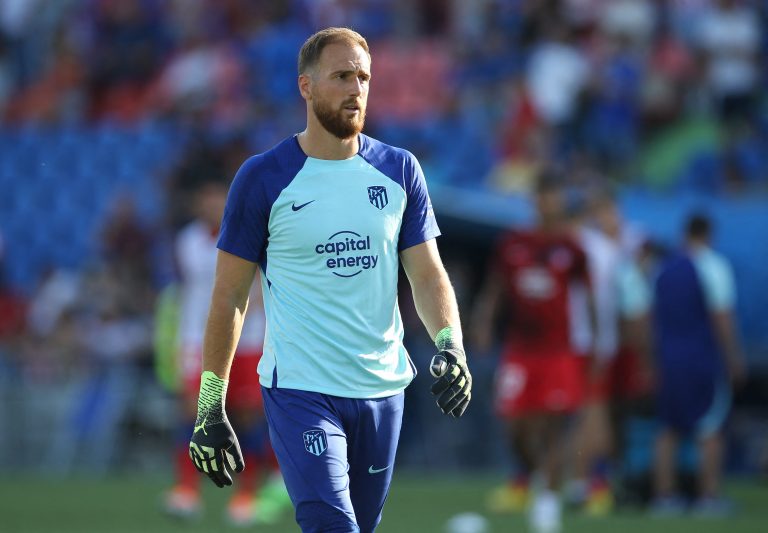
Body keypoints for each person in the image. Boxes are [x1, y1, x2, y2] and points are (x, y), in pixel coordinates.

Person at [187, 27, 472, 533]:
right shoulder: (262, 178)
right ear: (306, 86)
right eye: (341, 76)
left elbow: (427, 274)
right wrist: (212, 404)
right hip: (300, 389)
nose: (356, 88)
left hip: (382, 391)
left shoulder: (400, 170)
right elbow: (229, 296)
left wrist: (451, 345)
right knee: (330, 525)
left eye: (363, 77)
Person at [163, 179, 288, 526]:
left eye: (217, 199)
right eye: (205, 199)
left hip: (246, 337)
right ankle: (186, 491)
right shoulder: (188, 240)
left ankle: (246, 493)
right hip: (197, 338)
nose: (210, 205)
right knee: (193, 412)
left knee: (247, 416)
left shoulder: (252, 234)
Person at [474, 175, 590, 533]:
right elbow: (496, 289)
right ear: (534, 200)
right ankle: (536, 476)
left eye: (553, 196)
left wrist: (597, 344)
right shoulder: (514, 243)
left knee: (554, 427)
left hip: (558, 351)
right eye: (542, 196)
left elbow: (589, 299)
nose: (547, 203)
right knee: (515, 427)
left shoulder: (572, 248)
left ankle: (547, 503)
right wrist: (482, 321)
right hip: (520, 350)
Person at [650, 213, 746, 517]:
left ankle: (664, 498)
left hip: (667, 357)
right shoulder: (713, 266)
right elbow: (722, 317)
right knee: (710, 428)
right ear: (708, 234)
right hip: (702, 358)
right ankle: (708, 497)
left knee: (668, 429)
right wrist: (733, 357)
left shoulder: (663, 269)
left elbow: (649, 316)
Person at [567, 193, 653, 515]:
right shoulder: (605, 249)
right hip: (599, 341)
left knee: (590, 412)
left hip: (581, 342)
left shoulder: (577, 245)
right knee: (595, 411)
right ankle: (593, 483)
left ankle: (590, 483)